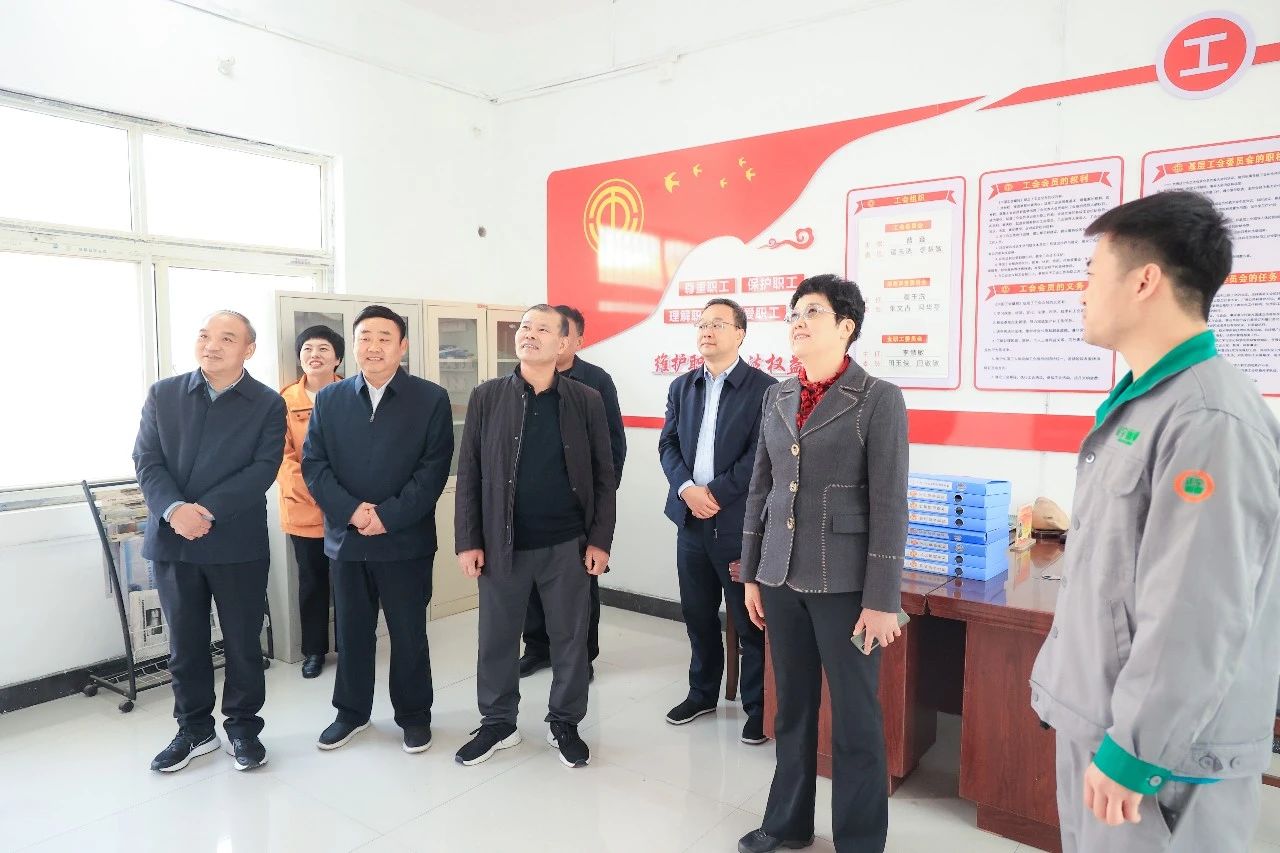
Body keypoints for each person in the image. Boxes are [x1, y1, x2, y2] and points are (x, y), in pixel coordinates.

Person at [1030, 190, 1280, 853]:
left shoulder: (1209, 418)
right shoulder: (1148, 403)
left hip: (1162, 759)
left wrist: (1135, 750)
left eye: (1091, 273)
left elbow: (1197, 608)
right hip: (1107, 723)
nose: (1081, 291)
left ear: (1144, 281)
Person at [738, 275, 908, 853]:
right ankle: (787, 823)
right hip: (781, 577)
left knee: (856, 717)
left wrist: (882, 600)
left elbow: (890, 503)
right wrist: (752, 572)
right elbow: (761, 487)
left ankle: (860, 840)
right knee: (792, 708)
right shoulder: (778, 395)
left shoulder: (878, 398)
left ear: (845, 326)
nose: (797, 322)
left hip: (847, 585)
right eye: (793, 314)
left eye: (812, 312)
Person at [454, 304, 616, 769]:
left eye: (542, 328)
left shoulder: (586, 399)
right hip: (502, 543)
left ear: (563, 343)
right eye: (524, 326)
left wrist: (600, 540)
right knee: (497, 638)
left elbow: (603, 476)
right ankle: (498, 723)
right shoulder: (487, 397)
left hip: (568, 544)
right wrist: (468, 540)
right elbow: (470, 473)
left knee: (571, 639)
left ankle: (564, 721)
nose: (528, 334)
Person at [133, 310, 285, 773]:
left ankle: (242, 728)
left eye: (226, 338)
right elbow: (147, 459)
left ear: (249, 349)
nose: (212, 345)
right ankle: (194, 729)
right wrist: (174, 509)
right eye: (204, 336)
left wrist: (206, 510)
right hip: (173, 539)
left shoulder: (266, 403)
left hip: (236, 542)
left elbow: (262, 469)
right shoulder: (164, 394)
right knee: (185, 644)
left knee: (242, 642)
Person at [303, 305, 453, 754]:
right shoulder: (329, 398)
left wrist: (386, 516)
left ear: (402, 346)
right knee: (351, 633)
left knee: (408, 634)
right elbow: (314, 465)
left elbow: (433, 471)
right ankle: (351, 713)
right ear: (353, 347)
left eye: (384, 338)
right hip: (346, 541)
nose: (373, 347)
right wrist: (353, 513)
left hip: (405, 541)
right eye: (365, 338)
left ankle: (414, 715)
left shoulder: (430, 398)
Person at [657, 297, 776, 744]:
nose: (707, 331)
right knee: (697, 613)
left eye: (718, 324)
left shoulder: (765, 389)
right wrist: (687, 488)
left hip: (739, 523)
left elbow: (761, 455)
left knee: (749, 620)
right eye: (702, 323)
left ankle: (757, 706)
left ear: (740, 334)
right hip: (690, 520)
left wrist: (715, 494)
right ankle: (702, 693)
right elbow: (668, 445)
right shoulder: (682, 386)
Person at [520, 304, 626, 680]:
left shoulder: (595, 382)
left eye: (554, 331)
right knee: (531, 586)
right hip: (531, 509)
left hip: (578, 510)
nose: (539, 336)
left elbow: (613, 447)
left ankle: (583, 655)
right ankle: (538, 648)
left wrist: (599, 505)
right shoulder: (520, 380)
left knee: (581, 589)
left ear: (574, 340)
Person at [277, 325, 344, 679]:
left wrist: (341, 495)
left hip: (349, 507)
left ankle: (350, 645)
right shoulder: (285, 400)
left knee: (349, 581)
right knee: (313, 581)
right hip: (304, 508)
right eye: (307, 349)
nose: (314, 354)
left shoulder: (353, 393)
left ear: (337, 358)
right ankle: (314, 651)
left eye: (323, 348)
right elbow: (282, 457)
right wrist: (316, 489)